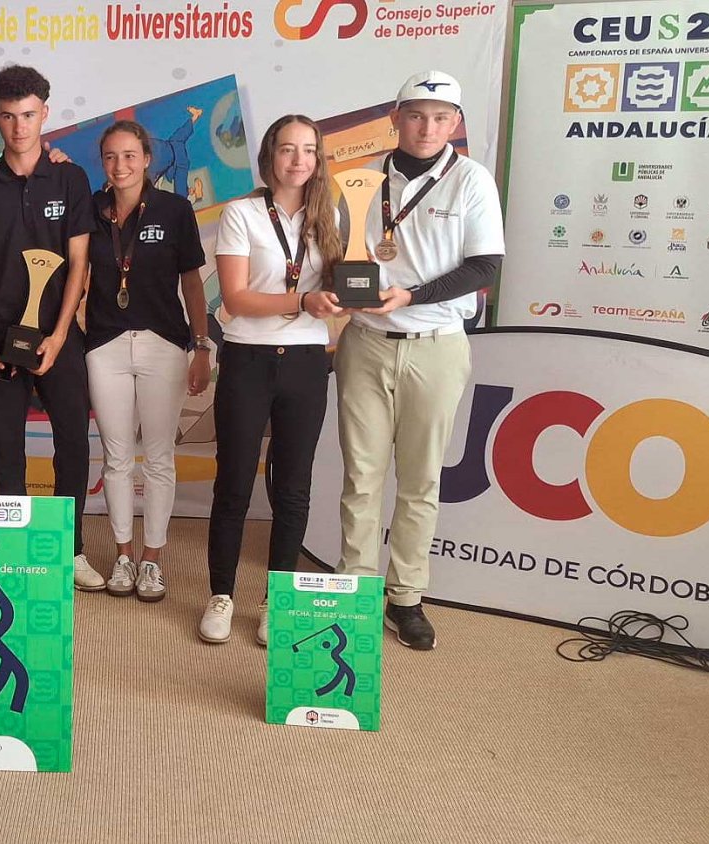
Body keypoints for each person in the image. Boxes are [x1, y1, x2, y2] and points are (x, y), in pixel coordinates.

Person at [331, 71, 505, 650]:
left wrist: (411, 296)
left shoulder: (471, 180)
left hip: (436, 344)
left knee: (420, 479)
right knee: (361, 477)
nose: (427, 128)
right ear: (395, 118)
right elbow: (342, 253)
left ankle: (405, 596)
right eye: (415, 115)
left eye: (440, 117)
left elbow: (485, 266)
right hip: (365, 342)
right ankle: (357, 589)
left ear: (455, 123)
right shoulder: (361, 180)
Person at [199, 114, 343, 645]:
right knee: (233, 484)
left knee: (293, 488)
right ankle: (221, 594)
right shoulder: (241, 213)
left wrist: (354, 293)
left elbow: (339, 287)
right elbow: (236, 299)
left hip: (306, 362)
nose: (298, 160)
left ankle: (275, 600)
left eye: (308, 149)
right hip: (247, 360)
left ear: (318, 159)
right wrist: (303, 300)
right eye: (287, 149)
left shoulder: (329, 216)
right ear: (269, 157)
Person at [0, 64, 103, 590]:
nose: (19, 127)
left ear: (44, 112)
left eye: (27, 115)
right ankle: (15, 551)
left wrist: (60, 335)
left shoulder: (70, 178)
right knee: (6, 449)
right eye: (8, 116)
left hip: (59, 337)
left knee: (73, 444)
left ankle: (72, 549)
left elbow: (79, 262)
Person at [84, 120, 210, 603]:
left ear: (147, 159)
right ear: (102, 162)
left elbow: (192, 283)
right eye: (111, 157)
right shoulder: (90, 210)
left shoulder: (175, 210)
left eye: (130, 156)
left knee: (158, 457)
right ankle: (123, 555)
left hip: (164, 344)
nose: (120, 166)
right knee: (116, 456)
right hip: (106, 345)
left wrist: (202, 345)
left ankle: (152, 558)